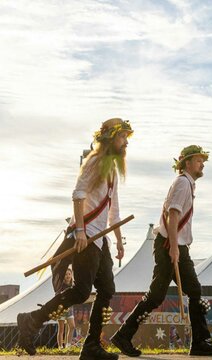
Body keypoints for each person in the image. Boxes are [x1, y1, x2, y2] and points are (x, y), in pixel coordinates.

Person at [17, 118, 132, 360]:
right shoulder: (95, 161)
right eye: (123, 137)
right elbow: (78, 195)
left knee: (107, 289)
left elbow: (114, 211)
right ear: (111, 138)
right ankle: (32, 320)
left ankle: (91, 346)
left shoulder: (112, 168)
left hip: (100, 240)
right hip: (86, 236)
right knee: (81, 291)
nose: (126, 143)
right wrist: (80, 231)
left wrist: (119, 241)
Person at [110, 145, 212, 357]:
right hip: (169, 245)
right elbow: (172, 214)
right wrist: (173, 247)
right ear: (187, 163)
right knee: (155, 297)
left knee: (194, 291)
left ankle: (199, 341)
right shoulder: (182, 183)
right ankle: (123, 336)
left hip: (176, 245)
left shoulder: (187, 184)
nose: (203, 164)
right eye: (199, 160)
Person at [56, 267, 76, 349]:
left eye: (69, 274)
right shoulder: (61, 286)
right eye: (66, 274)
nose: (68, 276)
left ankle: (68, 345)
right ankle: (60, 346)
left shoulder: (73, 285)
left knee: (72, 326)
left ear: (71, 275)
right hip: (61, 309)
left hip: (70, 309)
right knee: (61, 329)